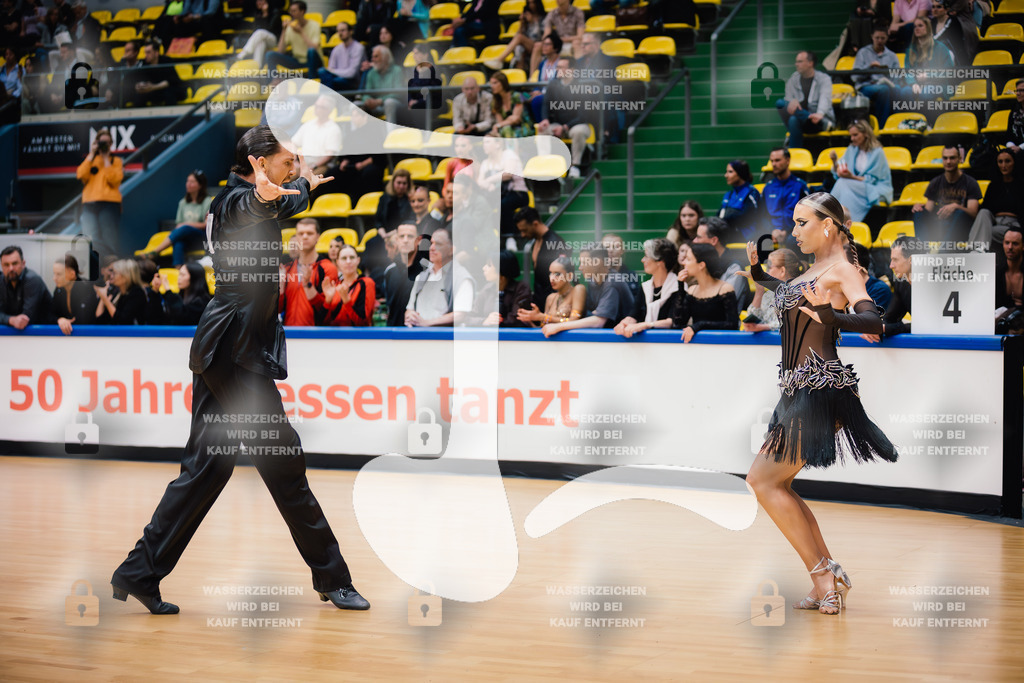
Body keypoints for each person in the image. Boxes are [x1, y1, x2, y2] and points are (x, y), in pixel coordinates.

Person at [111, 125, 369, 615]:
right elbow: (257, 206)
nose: (293, 168)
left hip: (220, 347)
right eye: (287, 161)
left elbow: (284, 203)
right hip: (234, 352)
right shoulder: (236, 203)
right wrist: (271, 195)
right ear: (257, 163)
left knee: (207, 468)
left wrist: (304, 186)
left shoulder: (253, 195)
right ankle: (333, 578)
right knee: (284, 462)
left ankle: (139, 573)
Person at [746, 191, 898, 615]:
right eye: (794, 223)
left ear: (827, 225)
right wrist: (759, 272)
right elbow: (790, 297)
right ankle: (827, 579)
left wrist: (833, 317)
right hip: (796, 389)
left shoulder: (842, 271)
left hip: (821, 387)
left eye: (802, 223)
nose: (794, 232)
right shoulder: (812, 271)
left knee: (761, 481)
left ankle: (824, 580)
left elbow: (873, 319)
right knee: (777, 484)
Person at [541, 244, 633, 336]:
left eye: (584, 263)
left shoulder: (612, 282)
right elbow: (591, 315)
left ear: (599, 262)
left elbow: (598, 322)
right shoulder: (592, 281)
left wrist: (558, 326)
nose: (580, 267)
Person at [913, 144, 982, 246]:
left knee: (960, 213)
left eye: (952, 158)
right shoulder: (936, 182)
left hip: (961, 228)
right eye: (945, 158)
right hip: (940, 225)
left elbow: (974, 214)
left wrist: (956, 206)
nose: (948, 162)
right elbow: (928, 209)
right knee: (919, 213)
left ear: (960, 159)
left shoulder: (970, 182)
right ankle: (922, 249)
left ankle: (943, 249)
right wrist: (919, 207)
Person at [536, 56, 593, 179]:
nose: (557, 69)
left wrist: (565, 127)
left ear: (571, 70)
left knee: (578, 131)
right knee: (543, 129)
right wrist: (545, 119)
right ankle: (547, 166)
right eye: (557, 67)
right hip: (558, 124)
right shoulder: (553, 84)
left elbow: (584, 115)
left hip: (578, 124)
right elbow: (546, 104)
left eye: (561, 67)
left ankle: (575, 166)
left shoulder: (581, 86)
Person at [405, 228, 475, 327]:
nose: (432, 248)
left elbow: (460, 315)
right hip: (418, 336)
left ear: (452, 250)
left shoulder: (462, 277)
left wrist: (426, 323)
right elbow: (409, 308)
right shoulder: (422, 276)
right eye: (431, 243)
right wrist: (410, 316)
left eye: (438, 244)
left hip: (444, 339)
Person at [614, 238, 681, 337]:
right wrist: (624, 323)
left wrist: (646, 325)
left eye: (646, 256)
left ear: (660, 261)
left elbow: (672, 321)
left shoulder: (678, 287)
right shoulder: (645, 287)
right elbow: (633, 315)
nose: (642, 260)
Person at [829, 119, 893, 223]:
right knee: (842, 183)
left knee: (844, 183)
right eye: (851, 135)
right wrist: (834, 161)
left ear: (866, 134)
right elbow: (840, 169)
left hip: (877, 187)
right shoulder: (852, 149)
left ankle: (840, 219)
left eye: (855, 135)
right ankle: (841, 220)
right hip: (856, 186)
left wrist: (851, 177)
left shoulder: (877, 152)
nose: (852, 138)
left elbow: (872, 180)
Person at [673, 242, 739, 341]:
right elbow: (678, 324)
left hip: (722, 346)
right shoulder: (692, 291)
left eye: (688, 259)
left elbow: (732, 324)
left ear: (701, 265)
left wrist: (698, 326)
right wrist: (681, 287)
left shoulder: (725, 289)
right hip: (697, 348)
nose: (684, 263)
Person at [146, 170, 214, 266]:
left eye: (192, 182)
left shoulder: (207, 201)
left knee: (184, 228)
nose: (188, 184)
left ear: (200, 185)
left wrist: (186, 224)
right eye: (187, 181)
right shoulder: (183, 202)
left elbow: (206, 224)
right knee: (178, 242)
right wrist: (183, 227)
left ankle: (156, 251)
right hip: (186, 237)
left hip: (201, 237)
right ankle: (179, 269)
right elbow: (179, 225)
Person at [279, 217, 337, 326]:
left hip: (315, 337)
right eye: (301, 234)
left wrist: (309, 286)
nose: (305, 237)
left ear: (317, 237)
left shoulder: (327, 268)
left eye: (309, 233)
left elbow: (330, 312)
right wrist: (280, 289)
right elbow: (277, 310)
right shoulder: (287, 269)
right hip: (290, 335)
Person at [76, 127, 123, 260]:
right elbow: (80, 174)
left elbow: (114, 180)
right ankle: (94, 267)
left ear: (111, 144)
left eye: (106, 143)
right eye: (101, 142)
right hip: (89, 204)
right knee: (90, 239)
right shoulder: (90, 160)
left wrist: (106, 158)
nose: (103, 145)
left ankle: (112, 268)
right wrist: (92, 153)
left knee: (110, 239)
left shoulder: (116, 161)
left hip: (109, 204)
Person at [775, 50, 835, 149]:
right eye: (796, 62)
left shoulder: (824, 79)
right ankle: (796, 155)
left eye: (800, 61)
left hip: (816, 122)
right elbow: (788, 100)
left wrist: (820, 114)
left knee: (793, 120)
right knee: (780, 103)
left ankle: (794, 155)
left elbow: (825, 98)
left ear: (810, 63)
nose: (796, 64)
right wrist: (792, 102)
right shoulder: (793, 79)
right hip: (801, 119)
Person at [862, 234, 915, 341]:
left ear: (911, 260)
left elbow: (928, 326)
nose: (891, 266)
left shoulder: (933, 283)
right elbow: (890, 318)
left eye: (895, 260)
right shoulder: (902, 283)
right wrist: (875, 328)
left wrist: (887, 329)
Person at [515, 206, 571, 307]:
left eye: (524, 230)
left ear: (535, 224)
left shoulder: (555, 242)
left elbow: (563, 278)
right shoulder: (536, 241)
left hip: (554, 305)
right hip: (540, 301)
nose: (522, 235)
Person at [968, 149, 1023, 251]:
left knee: (989, 232)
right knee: (984, 212)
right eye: (1000, 162)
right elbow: (985, 208)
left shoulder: (1021, 185)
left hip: (1014, 224)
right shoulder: (993, 186)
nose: (1003, 165)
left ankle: (978, 250)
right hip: (995, 222)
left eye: (1007, 161)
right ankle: (977, 252)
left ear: (1014, 163)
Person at [479, 135, 530, 240]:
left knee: (503, 205)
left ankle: (509, 237)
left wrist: (488, 181)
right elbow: (479, 181)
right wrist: (487, 186)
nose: (484, 145)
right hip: (495, 194)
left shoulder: (508, 155)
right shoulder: (485, 162)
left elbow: (508, 174)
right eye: (484, 142)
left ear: (498, 144)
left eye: (488, 142)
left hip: (517, 193)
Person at [742, 248, 804, 332]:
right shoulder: (769, 294)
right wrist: (759, 290)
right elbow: (751, 320)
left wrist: (763, 327)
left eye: (769, 268)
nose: (766, 272)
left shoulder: (798, 294)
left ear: (782, 271)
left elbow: (791, 324)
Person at [516, 254, 585, 327]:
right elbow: (543, 329)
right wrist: (529, 321)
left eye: (557, 274)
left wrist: (542, 317)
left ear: (569, 276)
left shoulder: (578, 289)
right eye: (550, 273)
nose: (552, 278)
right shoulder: (550, 298)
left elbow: (574, 321)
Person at [763, 147, 810, 251]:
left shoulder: (800, 186)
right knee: (761, 239)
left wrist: (787, 231)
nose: (774, 164)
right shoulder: (768, 188)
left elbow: (807, 215)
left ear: (788, 161)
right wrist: (772, 231)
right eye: (772, 161)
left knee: (792, 241)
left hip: (794, 232)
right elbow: (763, 215)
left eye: (777, 160)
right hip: (772, 232)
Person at [852, 26, 900, 125]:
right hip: (866, 86)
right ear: (872, 37)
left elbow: (897, 77)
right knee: (884, 90)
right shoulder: (863, 52)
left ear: (887, 38)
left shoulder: (892, 56)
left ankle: (897, 124)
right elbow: (854, 77)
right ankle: (882, 126)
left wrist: (886, 72)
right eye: (877, 38)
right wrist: (869, 67)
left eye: (882, 38)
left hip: (887, 85)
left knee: (899, 90)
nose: (879, 41)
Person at [899, 17, 954, 102]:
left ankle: (922, 115)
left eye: (920, 26)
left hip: (937, 84)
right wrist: (913, 83)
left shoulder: (940, 47)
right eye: (915, 26)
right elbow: (908, 71)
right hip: (917, 83)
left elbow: (948, 71)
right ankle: (910, 115)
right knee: (905, 92)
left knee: (926, 91)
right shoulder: (910, 50)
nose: (917, 28)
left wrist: (928, 75)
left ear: (928, 28)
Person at [471, 250, 532, 326]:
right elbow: (471, 317)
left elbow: (519, 318)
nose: (484, 268)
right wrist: (484, 321)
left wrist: (497, 321)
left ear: (501, 269)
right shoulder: (487, 289)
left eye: (489, 265)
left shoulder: (521, 289)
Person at [382, 223, 426, 326]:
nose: (405, 240)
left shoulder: (427, 271)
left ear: (418, 240)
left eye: (410, 236)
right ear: (397, 240)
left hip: (418, 333)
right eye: (401, 236)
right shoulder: (389, 271)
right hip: (393, 332)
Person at [265, 1, 322, 80]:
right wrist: (284, 30)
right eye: (290, 11)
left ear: (302, 11)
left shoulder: (314, 25)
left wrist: (301, 32)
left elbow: (314, 48)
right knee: (270, 55)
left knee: (311, 51)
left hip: (314, 61)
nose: (291, 13)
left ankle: (311, 82)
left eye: (294, 11)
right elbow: (281, 51)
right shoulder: (290, 28)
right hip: (298, 61)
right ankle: (273, 82)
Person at [322, 244, 376, 326]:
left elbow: (363, 322)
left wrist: (346, 300)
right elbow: (323, 322)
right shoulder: (334, 286)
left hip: (357, 338)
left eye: (352, 257)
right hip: (334, 337)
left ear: (358, 260)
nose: (348, 261)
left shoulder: (366, 283)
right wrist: (327, 301)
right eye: (344, 258)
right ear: (337, 262)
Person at [483, 0, 543, 72]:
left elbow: (540, 36)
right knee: (519, 48)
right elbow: (519, 34)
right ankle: (520, 74)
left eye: (533, 2)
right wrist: (522, 23)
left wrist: (532, 22)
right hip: (526, 46)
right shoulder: (526, 17)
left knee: (519, 38)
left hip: (538, 45)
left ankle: (499, 60)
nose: (531, 5)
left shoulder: (542, 18)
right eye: (529, 3)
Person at [1, 245, 52, 328]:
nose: (11, 268)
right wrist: (11, 320)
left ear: (23, 263)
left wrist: (8, 319)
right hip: (16, 335)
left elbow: (25, 319)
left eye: (14, 263)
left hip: (46, 334)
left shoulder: (32, 280)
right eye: (6, 265)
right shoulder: (1, 280)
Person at [51, 253, 98, 335]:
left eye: (59, 274)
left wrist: (66, 322)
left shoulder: (86, 288)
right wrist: (59, 320)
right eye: (54, 273)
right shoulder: (59, 290)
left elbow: (85, 319)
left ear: (72, 274)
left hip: (89, 337)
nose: (54, 278)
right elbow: (51, 314)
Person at [130, 40, 186, 108]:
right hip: (152, 92)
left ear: (156, 53)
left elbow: (171, 81)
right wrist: (138, 85)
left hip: (166, 89)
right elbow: (136, 78)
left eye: (148, 52)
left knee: (169, 93)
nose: (146, 55)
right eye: (145, 53)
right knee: (138, 96)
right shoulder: (143, 63)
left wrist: (153, 87)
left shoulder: (166, 61)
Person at [719, 161, 761, 242]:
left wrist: (724, 220)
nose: (726, 175)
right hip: (729, 233)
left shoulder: (752, 193)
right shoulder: (729, 195)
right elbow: (719, 215)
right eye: (726, 172)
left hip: (746, 236)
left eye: (730, 172)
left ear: (740, 173)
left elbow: (746, 218)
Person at [94, 258, 146, 324]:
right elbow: (100, 318)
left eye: (115, 273)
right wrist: (103, 298)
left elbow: (122, 320)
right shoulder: (119, 293)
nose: (111, 276)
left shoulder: (137, 293)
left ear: (125, 276)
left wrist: (105, 299)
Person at [359, 45, 403, 122]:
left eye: (376, 57)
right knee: (355, 105)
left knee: (389, 102)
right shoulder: (371, 73)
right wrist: (367, 100)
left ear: (385, 58)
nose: (373, 59)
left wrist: (380, 101)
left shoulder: (397, 70)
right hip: (375, 106)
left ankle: (391, 133)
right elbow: (366, 93)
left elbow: (398, 93)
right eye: (372, 57)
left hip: (394, 105)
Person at [233, 0, 283, 67]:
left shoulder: (275, 12)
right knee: (260, 44)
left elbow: (269, 28)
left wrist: (265, 14)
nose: (258, 2)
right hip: (262, 39)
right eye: (257, 1)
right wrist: (262, 14)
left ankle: (242, 54)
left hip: (274, 40)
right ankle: (257, 67)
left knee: (260, 32)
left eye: (260, 0)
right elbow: (255, 30)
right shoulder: (258, 13)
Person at [318, 22, 364, 92]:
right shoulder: (336, 49)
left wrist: (334, 71)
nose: (340, 33)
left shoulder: (358, 48)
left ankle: (325, 99)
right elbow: (331, 69)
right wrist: (333, 71)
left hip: (352, 81)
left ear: (350, 32)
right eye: (338, 31)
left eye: (343, 30)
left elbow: (351, 73)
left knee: (331, 81)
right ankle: (327, 98)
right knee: (321, 71)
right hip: (336, 78)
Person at [931, 0, 977, 68]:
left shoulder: (953, 21)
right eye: (933, 7)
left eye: (939, 7)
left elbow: (948, 40)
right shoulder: (932, 22)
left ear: (946, 10)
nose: (935, 9)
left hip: (952, 54)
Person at [489, 71, 533, 138]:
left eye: (495, 83)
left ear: (503, 83)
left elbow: (516, 119)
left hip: (523, 126)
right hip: (507, 128)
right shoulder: (495, 102)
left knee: (506, 129)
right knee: (499, 132)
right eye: (491, 83)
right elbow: (500, 121)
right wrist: (505, 122)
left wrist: (498, 125)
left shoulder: (516, 96)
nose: (492, 86)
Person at [376, 167, 413, 234]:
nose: (401, 186)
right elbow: (378, 222)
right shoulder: (384, 198)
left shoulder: (411, 200)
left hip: (403, 233)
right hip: (384, 234)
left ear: (408, 185)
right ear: (393, 183)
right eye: (399, 183)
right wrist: (384, 235)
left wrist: (393, 233)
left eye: (404, 183)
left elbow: (411, 221)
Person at [996, 227, 1023, 313]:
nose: (1010, 247)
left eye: (1015, 243)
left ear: (1023, 246)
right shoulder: (998, 272)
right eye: (1007, 243)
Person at [1006, 81, 1024, 156]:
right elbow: (1008, 135)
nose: (1018, 93)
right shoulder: (1014, 111)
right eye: (1017, 90)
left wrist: (1020, 147)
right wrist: (1012, 146)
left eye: (1021, 90)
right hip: (1015, 149)